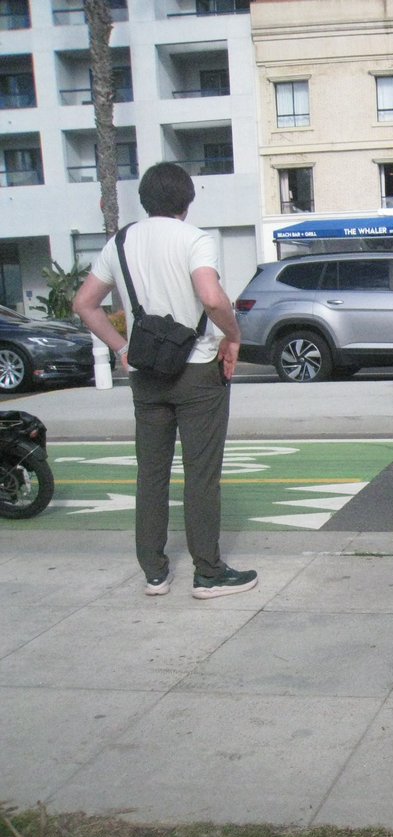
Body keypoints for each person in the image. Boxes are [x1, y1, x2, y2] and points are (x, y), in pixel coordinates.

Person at [71, 162, 257, 600]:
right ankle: (208, 573)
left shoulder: (119, 243)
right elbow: (210, 298)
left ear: (145, 200)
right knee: (201, 474)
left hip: (146, 372)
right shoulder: (196, 240)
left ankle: (154, 572)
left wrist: (121, 347)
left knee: (151, 473)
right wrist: (233, 336)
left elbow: (85, 303)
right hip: (197, 371)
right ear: (187, 201)